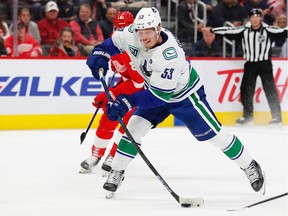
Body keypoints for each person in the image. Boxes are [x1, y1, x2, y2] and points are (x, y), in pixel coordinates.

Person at [86, 7, 266, 196]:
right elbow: (110, 45)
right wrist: (99, 54)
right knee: (133, 128)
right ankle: (117, 171)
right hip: (155, 91)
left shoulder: (168, 54)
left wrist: (127, 103)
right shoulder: (132, 34)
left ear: (158, 28)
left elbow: (157, 96)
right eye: (140, 31)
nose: (143, 37)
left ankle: (250, 165)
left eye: (148, 31)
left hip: (185, 96)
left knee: (216, 136)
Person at [79, 11, 144, 174]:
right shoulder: (115, 45)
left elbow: (138, 83)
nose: (120, 32)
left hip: (144, 93)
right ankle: (96, 155)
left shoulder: (136, 51)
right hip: (129, 86)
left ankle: (114, 155)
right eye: (117, 27)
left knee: (128, 124)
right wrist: (110, 93)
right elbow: (124, 76)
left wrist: (111, 94)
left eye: (125, 28)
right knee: (108, 116)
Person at [203, 8, 287, 126]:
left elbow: (283, 31)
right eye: (253, 17)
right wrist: (212, 30)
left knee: (270, 90)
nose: (255, 19)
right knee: (246, 90)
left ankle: (277, 118)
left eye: (257, 16)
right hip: (250, 64)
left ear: (260, 18)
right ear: (250, 18)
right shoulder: (244, 30)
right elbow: (229, 31)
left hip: (265, 64)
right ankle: (248, 117)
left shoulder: (268, 30)